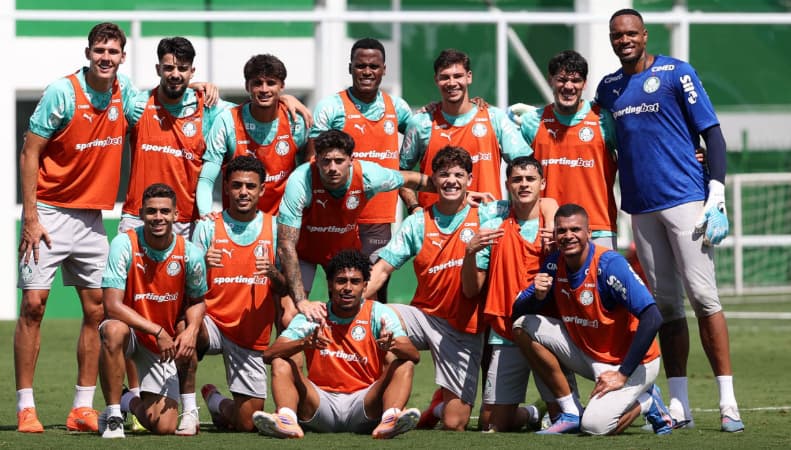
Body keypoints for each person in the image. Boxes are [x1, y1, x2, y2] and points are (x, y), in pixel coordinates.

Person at [594, 8, 743, 432]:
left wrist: (716, 190)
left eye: (630, 33)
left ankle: (728, 402)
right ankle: (680, 405)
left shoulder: (678, 73)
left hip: (686, 201)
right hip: (640, 208)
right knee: (667, 307)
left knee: (704, 298)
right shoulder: (609, 88)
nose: (623, 40)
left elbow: (711, 133)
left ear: (644, 35)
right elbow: (586, 122)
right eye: (616, 35)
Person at [15, 22, 139, 434]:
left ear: (123, 56)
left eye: (113, 51)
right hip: (49, 211)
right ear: (87, 53)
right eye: (99, 50)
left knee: (98, 311)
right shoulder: (62, 92)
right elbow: (30, 151)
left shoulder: (128, 94)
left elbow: (168, 104)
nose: (106, 57)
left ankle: (81, 408)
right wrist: (30, 218)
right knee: (34, 305)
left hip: (92, 218)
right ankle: (26, 408)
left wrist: (209, 90)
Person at [510, 203, 675, 436]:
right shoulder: (553, 263)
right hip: (590, 353)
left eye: (575, 230)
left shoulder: (609, 265)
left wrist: (622, 374)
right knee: (522, 326)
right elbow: (517, 311)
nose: (568, 236)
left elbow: (652, 317)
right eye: (562, 231)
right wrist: (535, 297)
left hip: (632, 363)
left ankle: (648, 401)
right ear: (555, 234)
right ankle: (570, 411)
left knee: (595, 427)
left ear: (589, 233)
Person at [364, 146, 485, 431]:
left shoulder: (487, 214)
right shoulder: (417, 222)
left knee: (455, 423)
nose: (451, 181)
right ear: (434, 179)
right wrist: (349, 307)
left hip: (462, 326)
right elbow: (381, 270)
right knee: (378, 317)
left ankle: (437, 407)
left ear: (470, 178)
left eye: (458, 175)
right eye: (444, 175)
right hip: (424, 317)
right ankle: (386, 411)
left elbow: (531, 205)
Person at [173, 156, 289, 433]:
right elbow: (183, 286)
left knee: (246, 424)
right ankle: (189, 412)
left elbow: (286, 287)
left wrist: (273, 273)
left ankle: (216, 402)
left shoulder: (275, 228)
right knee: (183, 328)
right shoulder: (208, 227)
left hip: (249, 334)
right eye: (237, 186)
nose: (243, 192)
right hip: (210, 322)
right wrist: (201, 263)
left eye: (251, 186)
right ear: (226, 188)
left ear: (262, 190)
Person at [254, 249, 421, 439]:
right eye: (341, 281)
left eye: (355, 282)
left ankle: (390, 420)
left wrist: (393, 346)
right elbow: (269, 355)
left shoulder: (379, 313)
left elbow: (414, 356)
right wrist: (304, 343)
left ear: (365, 286)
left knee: (403, 362)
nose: (347, 287)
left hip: (365, 405)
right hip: (320, 405)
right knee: (281, 360)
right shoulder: (314, 315)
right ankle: (287, 420)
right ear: (330, 285)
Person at [276, 129, 437, 323]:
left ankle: (355, 352)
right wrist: (301, 301)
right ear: (317, 159)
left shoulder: (369, 175)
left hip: (344, 251)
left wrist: (464, 194)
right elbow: (286, 244)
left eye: (339, 161)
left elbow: (412, 179)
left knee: (366, 313)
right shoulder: (301, 180)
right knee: (289, 315)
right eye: (326, 161)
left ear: (351, 159)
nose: (332, 168)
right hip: (304, 252)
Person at [96, 183, 207, 439]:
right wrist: (156, 330)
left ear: (176, 215)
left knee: (164, 426)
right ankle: (113, 416)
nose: (158, 217)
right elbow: (111, 305)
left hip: (163, 339)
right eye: (152, 211)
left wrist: (191, 331)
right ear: (141, 214)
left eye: (165, 211)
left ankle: (129, 401)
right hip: (133, 332)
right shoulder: (124, 243)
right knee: (113, 329)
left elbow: (198, 301)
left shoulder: (190, 253)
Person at [310, 38, 414, 302]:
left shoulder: (396, 107)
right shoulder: (331, 107)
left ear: (384, 70)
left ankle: (371, 343)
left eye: (373, 66)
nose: (367, 72)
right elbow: (313, 160)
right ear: (350, 68)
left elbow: (423, 137)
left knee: (375, 290)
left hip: (378, 218)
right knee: (342, 288)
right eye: (360, 66)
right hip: (340, 217)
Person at [460, 156, 557, 432]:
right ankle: (530, 413)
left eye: (530, 179)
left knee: (565, 417)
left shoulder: (555, 223)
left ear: (542, 184)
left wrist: (550, 216)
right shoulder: (494, 220)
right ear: (507, 184)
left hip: (546, 330)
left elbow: (550, 205)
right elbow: (471, 290)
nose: (524, 185)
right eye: (517, 179)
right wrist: (470, 252)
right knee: (490, 424)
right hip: (505, 331)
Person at [119, 36, 233, 238]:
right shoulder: (139, 104)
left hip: (186, 222)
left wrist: (283, 100)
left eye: (182, 69)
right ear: (158, 69)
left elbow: (250, 112)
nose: (175, 74)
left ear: (192, 71)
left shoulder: (208, 107)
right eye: (169, 68)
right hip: (137, 217)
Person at [509, 50, 619, 249]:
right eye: (561, 80)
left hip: (597, 227)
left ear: (584, 84)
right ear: (550, 80)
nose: (568, 86)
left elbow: (637, 151)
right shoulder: (532, 122)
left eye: (575, 80)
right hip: (548, 229)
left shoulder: (603, 120)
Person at [399, 48, 531, 210]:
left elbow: (526, 167)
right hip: (435, 228)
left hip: (486, 223)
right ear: (436, 80)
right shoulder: (421, 123)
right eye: (445, 77)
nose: (452, 83)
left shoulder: (494, 118)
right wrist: (414, 207)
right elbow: (401, 175)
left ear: (469, 77)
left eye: (458, 76)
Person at [197, 54, 310, 217]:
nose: (264, 89)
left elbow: (310, 174)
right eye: (257, 83)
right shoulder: (228, 120)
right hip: (236, 225)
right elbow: (207, 179)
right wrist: (205, 215)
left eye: (271, 83)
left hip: (281, 223)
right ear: (247, 86)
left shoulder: (296, 122)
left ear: (282, 86)